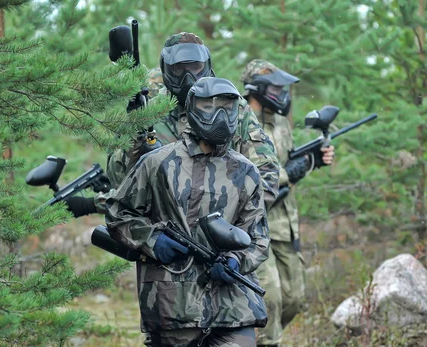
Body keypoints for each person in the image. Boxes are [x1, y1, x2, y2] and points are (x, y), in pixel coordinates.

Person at [104, 77, 269, 347]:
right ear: (191, 111)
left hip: (233, 301)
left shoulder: (246, 170)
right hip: (172, 301)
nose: (219, 116)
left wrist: (236, 259)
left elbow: (258, 236)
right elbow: (118, 213)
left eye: (227, 107)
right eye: (209, 107)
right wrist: (152, 241)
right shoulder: (157, 163)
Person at [63, 32, 280, 218]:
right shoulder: (151, 112)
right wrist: (136, 133)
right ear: (167, 70)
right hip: (161, 241)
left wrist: (225, 223)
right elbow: (119, 180)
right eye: (179, 69)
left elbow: (266, 179)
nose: (188, 77)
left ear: (206, 67)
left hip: (224, 241)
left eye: (195, 67)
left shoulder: (233, 109)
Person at [240, 59, 335, 347]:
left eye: (283, 89)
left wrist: (313, 162)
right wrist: (286, 173)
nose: (281, 95)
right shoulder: (241, 122)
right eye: (275, 89)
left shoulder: (281, 123)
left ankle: (251, 345)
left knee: (294, 298)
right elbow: (247, 171)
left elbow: (291, 164)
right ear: (257, 90)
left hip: (285, 222)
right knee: (272, 298)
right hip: (254, 224)